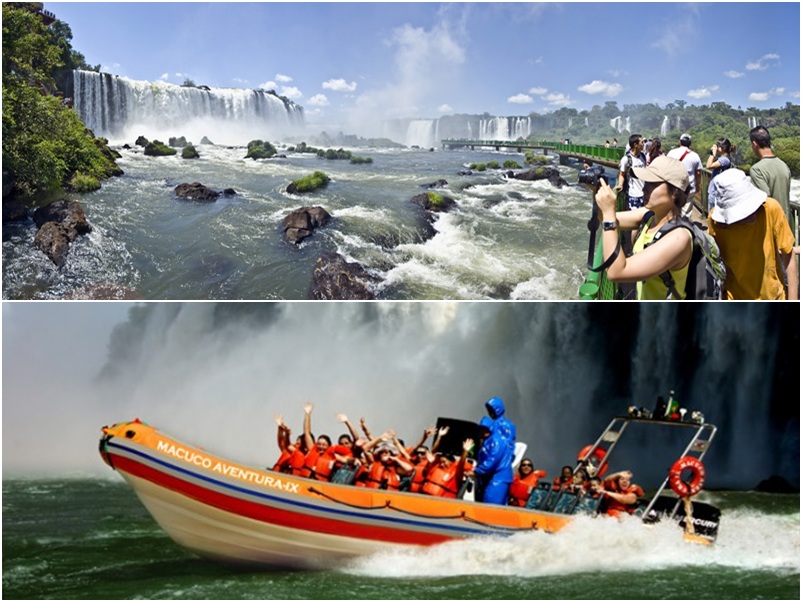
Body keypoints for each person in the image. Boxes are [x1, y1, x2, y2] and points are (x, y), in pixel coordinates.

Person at [594, 155, 694, 300]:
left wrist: (609, 212)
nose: (645, 188)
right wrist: (597, 194)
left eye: (653, 184)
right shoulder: (649, 216)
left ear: (674, 193)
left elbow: (616, 272)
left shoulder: (679, 238)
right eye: (646, 182)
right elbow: (604, 218)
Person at [707, 168, 798, 300]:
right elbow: (715, 260)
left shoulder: (771, 209)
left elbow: (788, 254)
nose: (750, 215)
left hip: (773, 297)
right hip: (735, 299)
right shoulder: (715, 220)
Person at [749, 125, 792, 222]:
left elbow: (765, 201)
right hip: (786, 222)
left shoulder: (757, 169)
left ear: (755, 144)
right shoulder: (784, 165)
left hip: (770, 223)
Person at [666, 133, 702, 218]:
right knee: (686, 212)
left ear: (680, 142)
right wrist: (697, 186)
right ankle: (684, 227)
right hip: (689, 187)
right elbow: (698, 173)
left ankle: (673, 226)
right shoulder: (695, 155)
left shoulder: (672, 153)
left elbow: (666, 167)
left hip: (673, 186)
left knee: (673, 208)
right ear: (690, 143)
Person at [615, 134, 647, 209]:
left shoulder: (643, 156)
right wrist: (620, 185)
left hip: (645, 194)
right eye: (642, 142)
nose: (644, 144)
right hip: (633, 195)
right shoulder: (626, 159)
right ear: (635, 145)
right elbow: (622, 174)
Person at [705, 138, 734, 209]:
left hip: (715, 193)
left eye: (717, 146)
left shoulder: (724, 160)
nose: (716, 148)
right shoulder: (724, 159)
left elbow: (708, 166)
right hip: (715, 192)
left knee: (712, 216)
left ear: (722, 148)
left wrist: (712, 154)